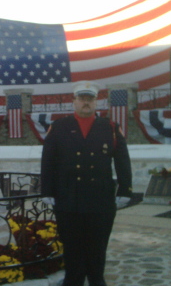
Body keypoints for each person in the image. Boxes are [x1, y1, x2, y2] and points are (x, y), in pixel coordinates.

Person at [41, 80, 133, 286]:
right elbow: (48, 159)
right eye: (82, 98)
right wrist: (46, 189)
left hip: (100, 200)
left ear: (96, 102)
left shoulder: (109, 127)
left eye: (90, 99)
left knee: (97, 249)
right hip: (68, 199)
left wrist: (125, 189)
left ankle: (96, 281)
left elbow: (122, 160)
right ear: (73, 101)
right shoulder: (59, 127)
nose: (86, 102)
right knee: (72, 248)